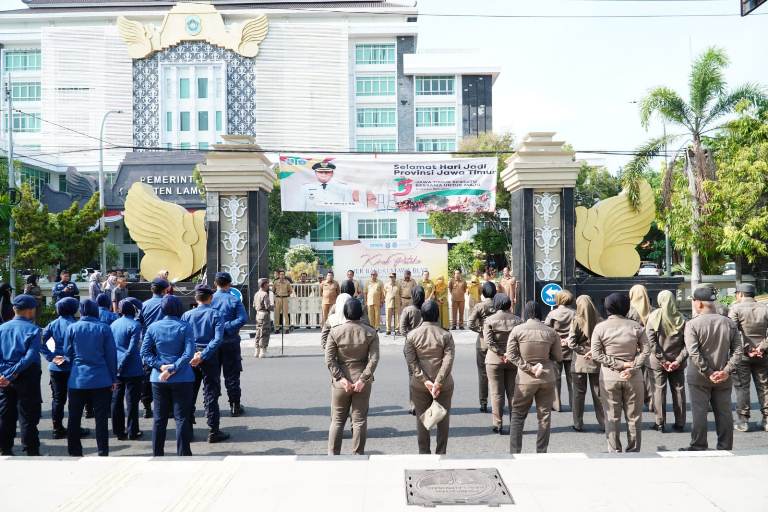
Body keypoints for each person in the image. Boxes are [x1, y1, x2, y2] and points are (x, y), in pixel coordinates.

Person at [682, 287, 741, 451]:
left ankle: (699, 445)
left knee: (699, 412)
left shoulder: (692, 324)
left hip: (699, 377)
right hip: (723, 376)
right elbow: (738, 350)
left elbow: (693, 352)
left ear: (698, 303)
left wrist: (708, 372)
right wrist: (726, 371)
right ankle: (725, 445)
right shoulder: (728, 322)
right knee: (724, 413)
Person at [591, 293, 650, 453]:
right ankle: (633, 451)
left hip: (609, 377)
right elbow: (646, 351)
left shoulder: (600, 327)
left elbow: (596, 354)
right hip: (633, 376)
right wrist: (631, 366)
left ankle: (614, 450)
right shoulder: (636, 326)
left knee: (611, 416)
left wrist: (618, 364)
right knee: (634, 417)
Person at [63, 299, 118, 457]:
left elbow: (68, 354)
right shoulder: (104, 328)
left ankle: (74, 451)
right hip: (100, 378)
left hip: (77, 378)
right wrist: (113, 378)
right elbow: (111, 356)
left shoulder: (72, 328)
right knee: (101, 419)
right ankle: (102, 451)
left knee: (74, 417)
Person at [141, 295, 195, 456]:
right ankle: (183, 453)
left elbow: (144, 353)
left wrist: (161, 366)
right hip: (183, 377)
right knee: (182, 418)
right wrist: (173, 368)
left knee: (159, 418)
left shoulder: (153, 327)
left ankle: (157, 453)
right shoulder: (185, 327)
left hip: (159, 377)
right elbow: (188, 353)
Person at [325, 298, 380, 455]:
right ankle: (357, 456)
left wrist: (340, 378)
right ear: (361, 313)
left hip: (340, 382)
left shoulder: (335, 331)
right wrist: (363, 378)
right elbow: (374, 359)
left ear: (344, 313)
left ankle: (333, 455)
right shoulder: (370, 332)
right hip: (362, 380)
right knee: (359, 421)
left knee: (337, 421)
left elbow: (329, 359)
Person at [506, 301, 562, 453]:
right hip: (547, 377)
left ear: (525, 313)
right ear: (540, 313)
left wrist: (528, 367)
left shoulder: (517, 330)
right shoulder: (550, 332)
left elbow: (511, 354)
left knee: (517, 415)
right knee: (544, 416)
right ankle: (541, 452)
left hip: (525, 379)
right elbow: (558, 356)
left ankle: (515, 452)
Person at [404, 300, 455, 454]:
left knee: (422, 420)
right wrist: (438, 382)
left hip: (419, 385)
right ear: (437, 315)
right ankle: (441, 453)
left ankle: (424, 454)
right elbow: (448, 361)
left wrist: (426, 381)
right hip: (444, 385)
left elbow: (411, 362)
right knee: (443, 419)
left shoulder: (412, 335)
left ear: (422, 315)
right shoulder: (446, 335)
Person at [182, 285, 229, 443]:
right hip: (209, 358)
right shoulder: (216, 314)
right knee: (211, 394)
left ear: (196, 298)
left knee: (189, 394)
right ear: (211, 298)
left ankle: (187, 429)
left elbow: (183, 338)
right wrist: (203, 354)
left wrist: (194, 354)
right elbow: (218, 339)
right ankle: (213, 430)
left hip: (191, 358)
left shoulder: (187, 315)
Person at [0, 295, 42, 456]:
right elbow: (30, 357)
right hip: (26, 375)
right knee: (28, 416)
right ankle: (31, 450)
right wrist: (14, 372)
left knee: (5, 414)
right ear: (31, 310)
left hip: (4, 377)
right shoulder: (34, 330)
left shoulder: (2, 328)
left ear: (13, 309)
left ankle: (5, 448)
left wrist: (5, 374)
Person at [41, 297, 86, 439]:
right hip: (73, 366)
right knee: (75, 399)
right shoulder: (76, 325)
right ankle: (74, 428)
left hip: (56, 367)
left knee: (58, 399)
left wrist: (52, 356)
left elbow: (40, 343)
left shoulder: (52, 324)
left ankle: (57, 428)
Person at [728, 283, 768, 432]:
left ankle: (743, 421)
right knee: (764, 386)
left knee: (742, 387)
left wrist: (747, 348)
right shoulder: (765, 308)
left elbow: (732, 332)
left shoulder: (736, 309)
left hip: (742, 356)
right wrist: (761, 348)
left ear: (740, 294)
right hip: (763, 355)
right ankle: (767, 419)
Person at [646, 290, 688, 433]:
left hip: (658, 363)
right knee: (678, 391)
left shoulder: (654, 317)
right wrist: (677, 360)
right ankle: (680, 422)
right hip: (678, 363)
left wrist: (663, 360)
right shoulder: (682, 319)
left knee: (658, 391)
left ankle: (659, 423)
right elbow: (688, 344)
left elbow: (651, 342)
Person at [483, 293, 522, 434]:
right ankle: (515, 424)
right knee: (513, 393)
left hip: (494, 360)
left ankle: (497, 423)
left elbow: (488, 342)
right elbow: (520, 341)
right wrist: (509, 353)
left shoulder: (489, 320)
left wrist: (501, 353)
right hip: (513, 360)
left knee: (496, 393)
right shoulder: (518, 320)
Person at [211, 272, 249, 417]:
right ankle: (235, 405)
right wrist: (226, 327)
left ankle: (212, 407)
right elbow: (243, 319)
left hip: (213, 343)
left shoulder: (210, 299)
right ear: (230, 284)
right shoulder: (234, 300)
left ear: (215, 283)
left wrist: (218, 328)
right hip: (230, 341)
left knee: (212, 376)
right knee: (232, 375)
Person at [566, 295, 605, 432]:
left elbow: (571, 343)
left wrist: (582, 350)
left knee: (578, 395)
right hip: (597, 362)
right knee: (599, 394)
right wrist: (593, 352)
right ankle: (604, 423)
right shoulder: (600, 321)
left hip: (579, 363)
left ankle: (578, 423)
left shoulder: (576, 320)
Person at [110, 298, 144, 441]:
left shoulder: (113, 324)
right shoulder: (135, 325)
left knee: (116, 400)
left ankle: (118, 431)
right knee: (132, 401)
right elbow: (132, 349)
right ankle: (132, 430)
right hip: (132, 368)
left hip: (116, 366)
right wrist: (123, 362)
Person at [138, 278, 170, 419]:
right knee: (167, 371)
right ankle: (166, 407)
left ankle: (146, 406)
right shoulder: (167, 303)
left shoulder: (144, 304)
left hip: (148, 341)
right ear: (165, 290)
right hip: (166, 341)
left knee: (147, 374)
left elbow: (139, 322)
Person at [545, 290, 575, 412]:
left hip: (556, 349)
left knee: (555, 378)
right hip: (571, 348)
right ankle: (574, 404)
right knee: (572, 380)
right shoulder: (575, 313)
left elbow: (547, 330)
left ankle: (556, 405)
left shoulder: (552, 314)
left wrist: (557, 339)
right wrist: (568, 339)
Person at [468, 282, 496, 413]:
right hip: (498, 343)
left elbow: (470, 323)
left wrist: (482, 330)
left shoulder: (480, 306)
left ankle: (483, 402)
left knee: (483, 374)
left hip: (483, 343)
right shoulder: (499, 305)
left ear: (483, 293)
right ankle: (498, 402)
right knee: (498, 375)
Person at [628, 284, 655, 413]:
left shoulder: (628, 311)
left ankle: (636, 402)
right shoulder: (653, 311)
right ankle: (651, 402)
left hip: (633, 347)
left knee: (634, 375)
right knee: (649, 377)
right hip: (651, 347)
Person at [400, 285, 425, 416]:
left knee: (412, 375)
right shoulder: (427, 308)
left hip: (410, 347)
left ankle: (413, 404)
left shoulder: (408, 310)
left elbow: (402, 329)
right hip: (425, 346)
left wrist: (411, 338)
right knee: (425, 374)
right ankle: (424, 403)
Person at [253, 278, 272, 358]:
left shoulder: (256, 294)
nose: (268, 285)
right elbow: (267, 306)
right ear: (264, 284)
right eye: (267, 284)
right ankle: (262, 351)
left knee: (258, 332)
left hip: (258, 314)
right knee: (264, 332)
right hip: (264, 314)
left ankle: (256, 350)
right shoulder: (265, 294)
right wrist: (274, 307)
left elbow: (254, 305)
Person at [273, 270, 293, 334]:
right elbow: (273, 290)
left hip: (285, 298)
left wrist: (287, 294)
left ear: (284, 275)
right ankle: (277, 328)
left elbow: (290, 291)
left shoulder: (287, 282)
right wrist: (276, 295)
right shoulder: (276, 282)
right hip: (278, 298)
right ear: (279, 275)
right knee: (277, 314)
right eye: (281, 274)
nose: (282, 276)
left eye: (283, 274)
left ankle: (287, 328)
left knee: (285, 314)